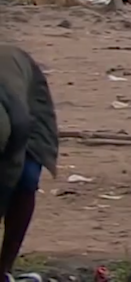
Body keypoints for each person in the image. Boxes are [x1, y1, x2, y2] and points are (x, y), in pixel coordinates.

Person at [0, 45, 59, 280]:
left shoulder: (16, 121)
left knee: (25, 178)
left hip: (27, 97)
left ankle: (4, 268)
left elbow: (7, 180)